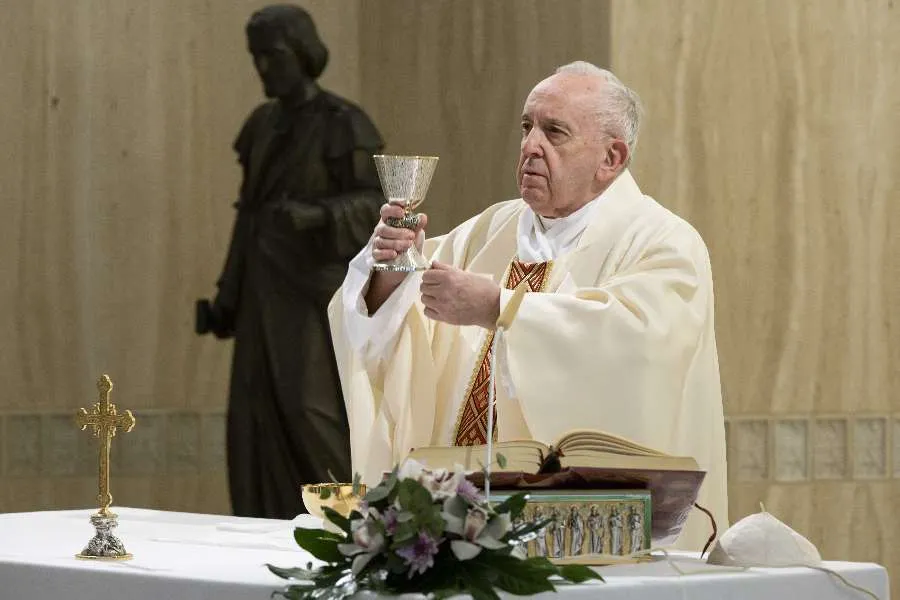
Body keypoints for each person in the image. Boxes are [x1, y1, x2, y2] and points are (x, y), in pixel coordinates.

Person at [327, 60, 727, 549]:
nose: (530, 146)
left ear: (611, 158)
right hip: (462, 519)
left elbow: (641, 343)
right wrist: (391, 269)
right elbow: (391, 327)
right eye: (526, 127)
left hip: (592, 530)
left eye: (554, 132)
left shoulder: (662, 242)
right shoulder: (489, 230)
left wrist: (503, 309)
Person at [196, 4, 384, 519]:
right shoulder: (260, 126)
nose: (263, 68)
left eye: (273, 55)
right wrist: (227, 299)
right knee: (252, 421)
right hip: (261, 293)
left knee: (310, 410)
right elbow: (249, 217)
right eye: (255, 57)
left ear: (302, 53)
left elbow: (378, 205)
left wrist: (318, 216)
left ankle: (352, 525)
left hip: (312, 295)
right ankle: (263, 530)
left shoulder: (343, 123)